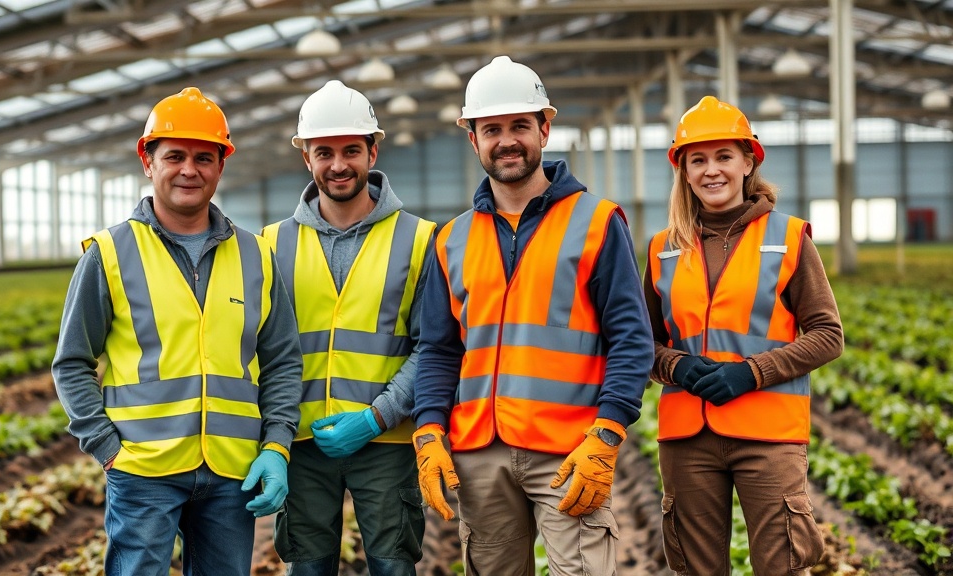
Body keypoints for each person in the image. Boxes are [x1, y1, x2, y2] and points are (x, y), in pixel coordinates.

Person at [412, 55, 655, 575]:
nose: (507, 140)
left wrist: (608, 433)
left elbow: (632, 341)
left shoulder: (597, 222)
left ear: (545, 127)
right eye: (491, 128)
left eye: (520, 125)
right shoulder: (450, 239)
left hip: (571, 451)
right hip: (479, 453)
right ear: (472, 138)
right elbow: (438, 349)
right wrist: (429, 431)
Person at [51, 87, 304, 576]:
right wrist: (106, 447)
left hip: (233, 470)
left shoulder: (257, 257)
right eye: (175, 156)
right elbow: (72, 362)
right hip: (143, 470)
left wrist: (275, 445)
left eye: (204, 158)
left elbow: (283, 362)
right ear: (148, 161)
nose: (190, 169)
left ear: (220, 166)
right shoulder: (108, 253)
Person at [645, 95, 844, 575]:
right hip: (688, 438)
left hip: (769, 435)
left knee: (781, 565)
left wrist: (751, 373)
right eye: (698, 160)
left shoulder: (789, 236)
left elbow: (827, 334)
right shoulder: (661, 248)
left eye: (724, 157)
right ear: (684, 171)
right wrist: (677, 366)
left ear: (748, 161)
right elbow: (641, 343)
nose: (712, 171)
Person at [261, 80, 436, 576]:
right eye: (324, 152)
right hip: (300, 442)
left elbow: (435, 347)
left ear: (372, 151)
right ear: (306, 157)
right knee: (308, 568)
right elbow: (259, 349)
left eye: (351, 150)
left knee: (393, 567)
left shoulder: (421, 239)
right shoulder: (269, 245)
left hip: (386, 441)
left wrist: (377, 417)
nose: (338, 164)